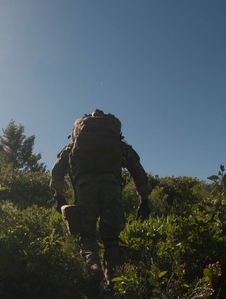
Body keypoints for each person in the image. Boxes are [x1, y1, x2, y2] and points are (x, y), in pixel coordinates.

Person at [50, 109, 152, 297]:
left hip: (85, 189)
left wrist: (59, 197)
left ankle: (93, 268)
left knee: (87, 234)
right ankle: (113, 285)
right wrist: (144, 200)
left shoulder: (75, 144)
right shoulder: (118, 144)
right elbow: (138, 170)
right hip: (111, 189)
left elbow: (58, 169)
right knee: (112, 239)